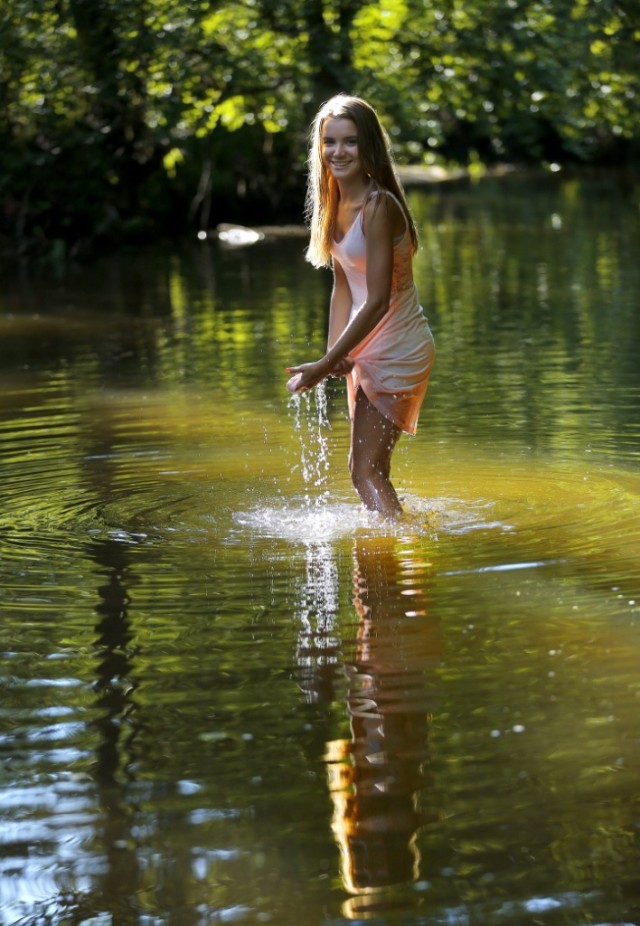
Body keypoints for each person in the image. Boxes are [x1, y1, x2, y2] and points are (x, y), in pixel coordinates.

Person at [286, 95, 435, 517]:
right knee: (367, 469)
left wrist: (328, 360)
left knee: (365, 472)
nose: (338, 152)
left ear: (369, 145)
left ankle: (398, 551)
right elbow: (344, 289)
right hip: (368, 344)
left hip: (397, 345)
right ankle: (380, 575)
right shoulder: (333, 205)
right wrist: (335, 356)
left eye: (349, 142)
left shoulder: (378, 206)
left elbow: (378, 300)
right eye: (329, 142)